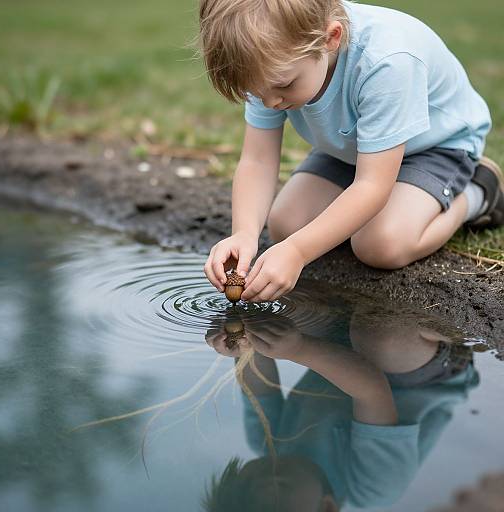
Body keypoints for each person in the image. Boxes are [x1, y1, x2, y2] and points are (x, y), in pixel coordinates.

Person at [199, 0, 503, 303]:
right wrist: (244, 233)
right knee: (286, 225)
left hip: (433, 146)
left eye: (285, 86)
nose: (270, 103)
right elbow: (258, 160)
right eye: (255, 92)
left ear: (331, 39)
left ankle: (477, 193)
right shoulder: (270, 64)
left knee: (380, 244)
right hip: (354, 149)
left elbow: (372, 185)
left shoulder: (386, 61)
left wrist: (299, 251)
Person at [202, 306, 479, 510]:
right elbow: (373, 391)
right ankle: (466, 318)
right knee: (382, 338)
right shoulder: (372, 489)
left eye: (247, 489)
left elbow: (259, 385)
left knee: (285, 304)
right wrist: (298, 348)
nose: (263, 489)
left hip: (340, 349)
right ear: (326, 508)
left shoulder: (266, 442)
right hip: (419, 377)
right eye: (277, 505)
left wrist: (242, 345)